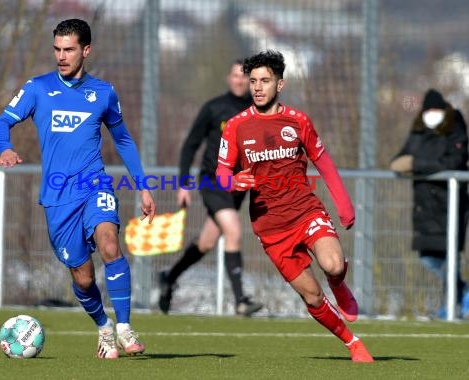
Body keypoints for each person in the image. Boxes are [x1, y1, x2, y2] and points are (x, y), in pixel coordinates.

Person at [0, 19, 155, 359]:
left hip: (94, 183)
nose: (61, 56)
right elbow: (1, 122)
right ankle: (104, 328)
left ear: (86, 50)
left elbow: (122, 139)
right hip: (57, 196)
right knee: (82, 278)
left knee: (110, 243)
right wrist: (5, 147)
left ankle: (124, 326)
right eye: (57, 49)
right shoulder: (37, 88)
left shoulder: (104, 93)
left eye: (68, 49)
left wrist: (143, 187)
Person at [216, 50, 374, 362]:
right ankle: (352, 342)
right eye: (253, 81)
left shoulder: (298, 121)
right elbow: (220, 174)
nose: (258, 87)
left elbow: (324, 162)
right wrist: (234, 182)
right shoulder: (236, 126)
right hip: (270, 227)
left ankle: (339, 283)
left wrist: (344, 204)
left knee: (334, 264)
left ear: (280, 84)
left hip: (305, 210)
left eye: (265, 80)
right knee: (312, 295)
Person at [158, 60, 263, 317]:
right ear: (229, 78)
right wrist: (183, 183)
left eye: (245, 77)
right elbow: (190, 145)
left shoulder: (257, 110)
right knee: (234, 231)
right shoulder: (214, 108)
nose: (240, 81)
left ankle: (169, 277)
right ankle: (241, 300)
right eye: (236, 75)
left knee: (206, 242)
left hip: (239, 188)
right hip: (213, 181)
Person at [390, 88, 469, 319]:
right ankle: (463, 293)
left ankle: (451, 305)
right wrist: (403, 163)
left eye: (436, 109)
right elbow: (400, 159)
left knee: (449, 259)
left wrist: (417, 163)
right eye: (428, 110)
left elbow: (453, 161)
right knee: (429, 259)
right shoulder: (418, 131)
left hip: (450, 204)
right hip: (424, 206)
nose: (432, 114)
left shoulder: (455, 128)